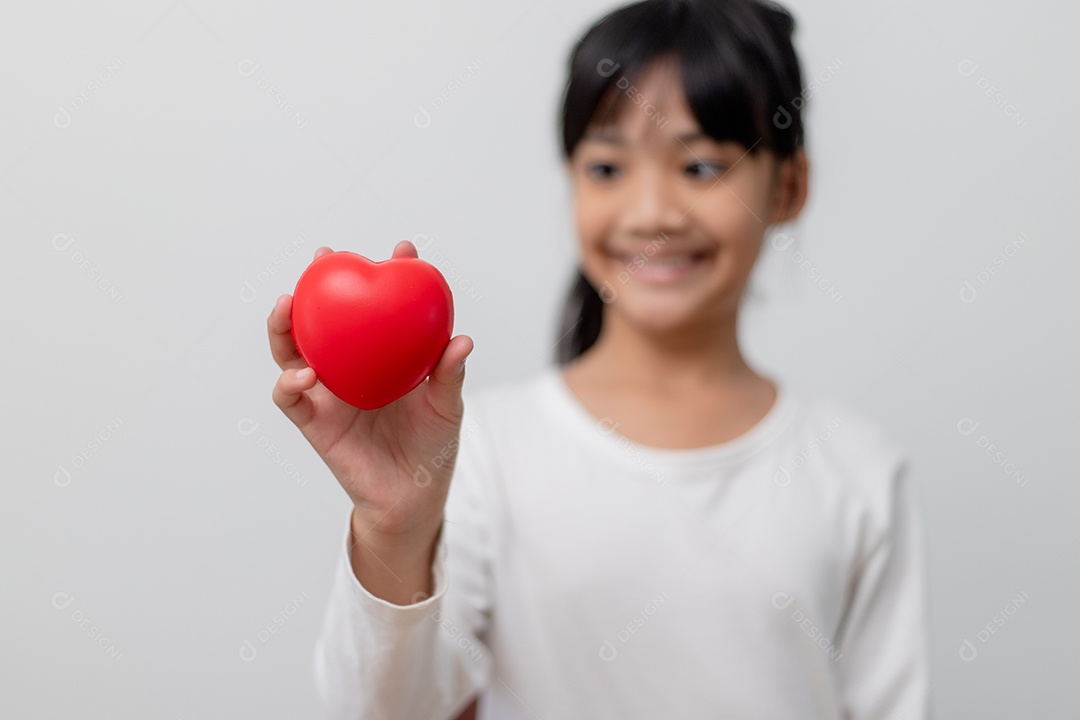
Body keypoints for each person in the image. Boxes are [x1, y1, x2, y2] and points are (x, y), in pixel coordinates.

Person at [266, 0, 933, 717]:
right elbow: (384, 710)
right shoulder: (479, 452)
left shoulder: (859, 474)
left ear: (790, 187)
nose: (651, 212)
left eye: (702, 165)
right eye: (608, 166)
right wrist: (394, 526)